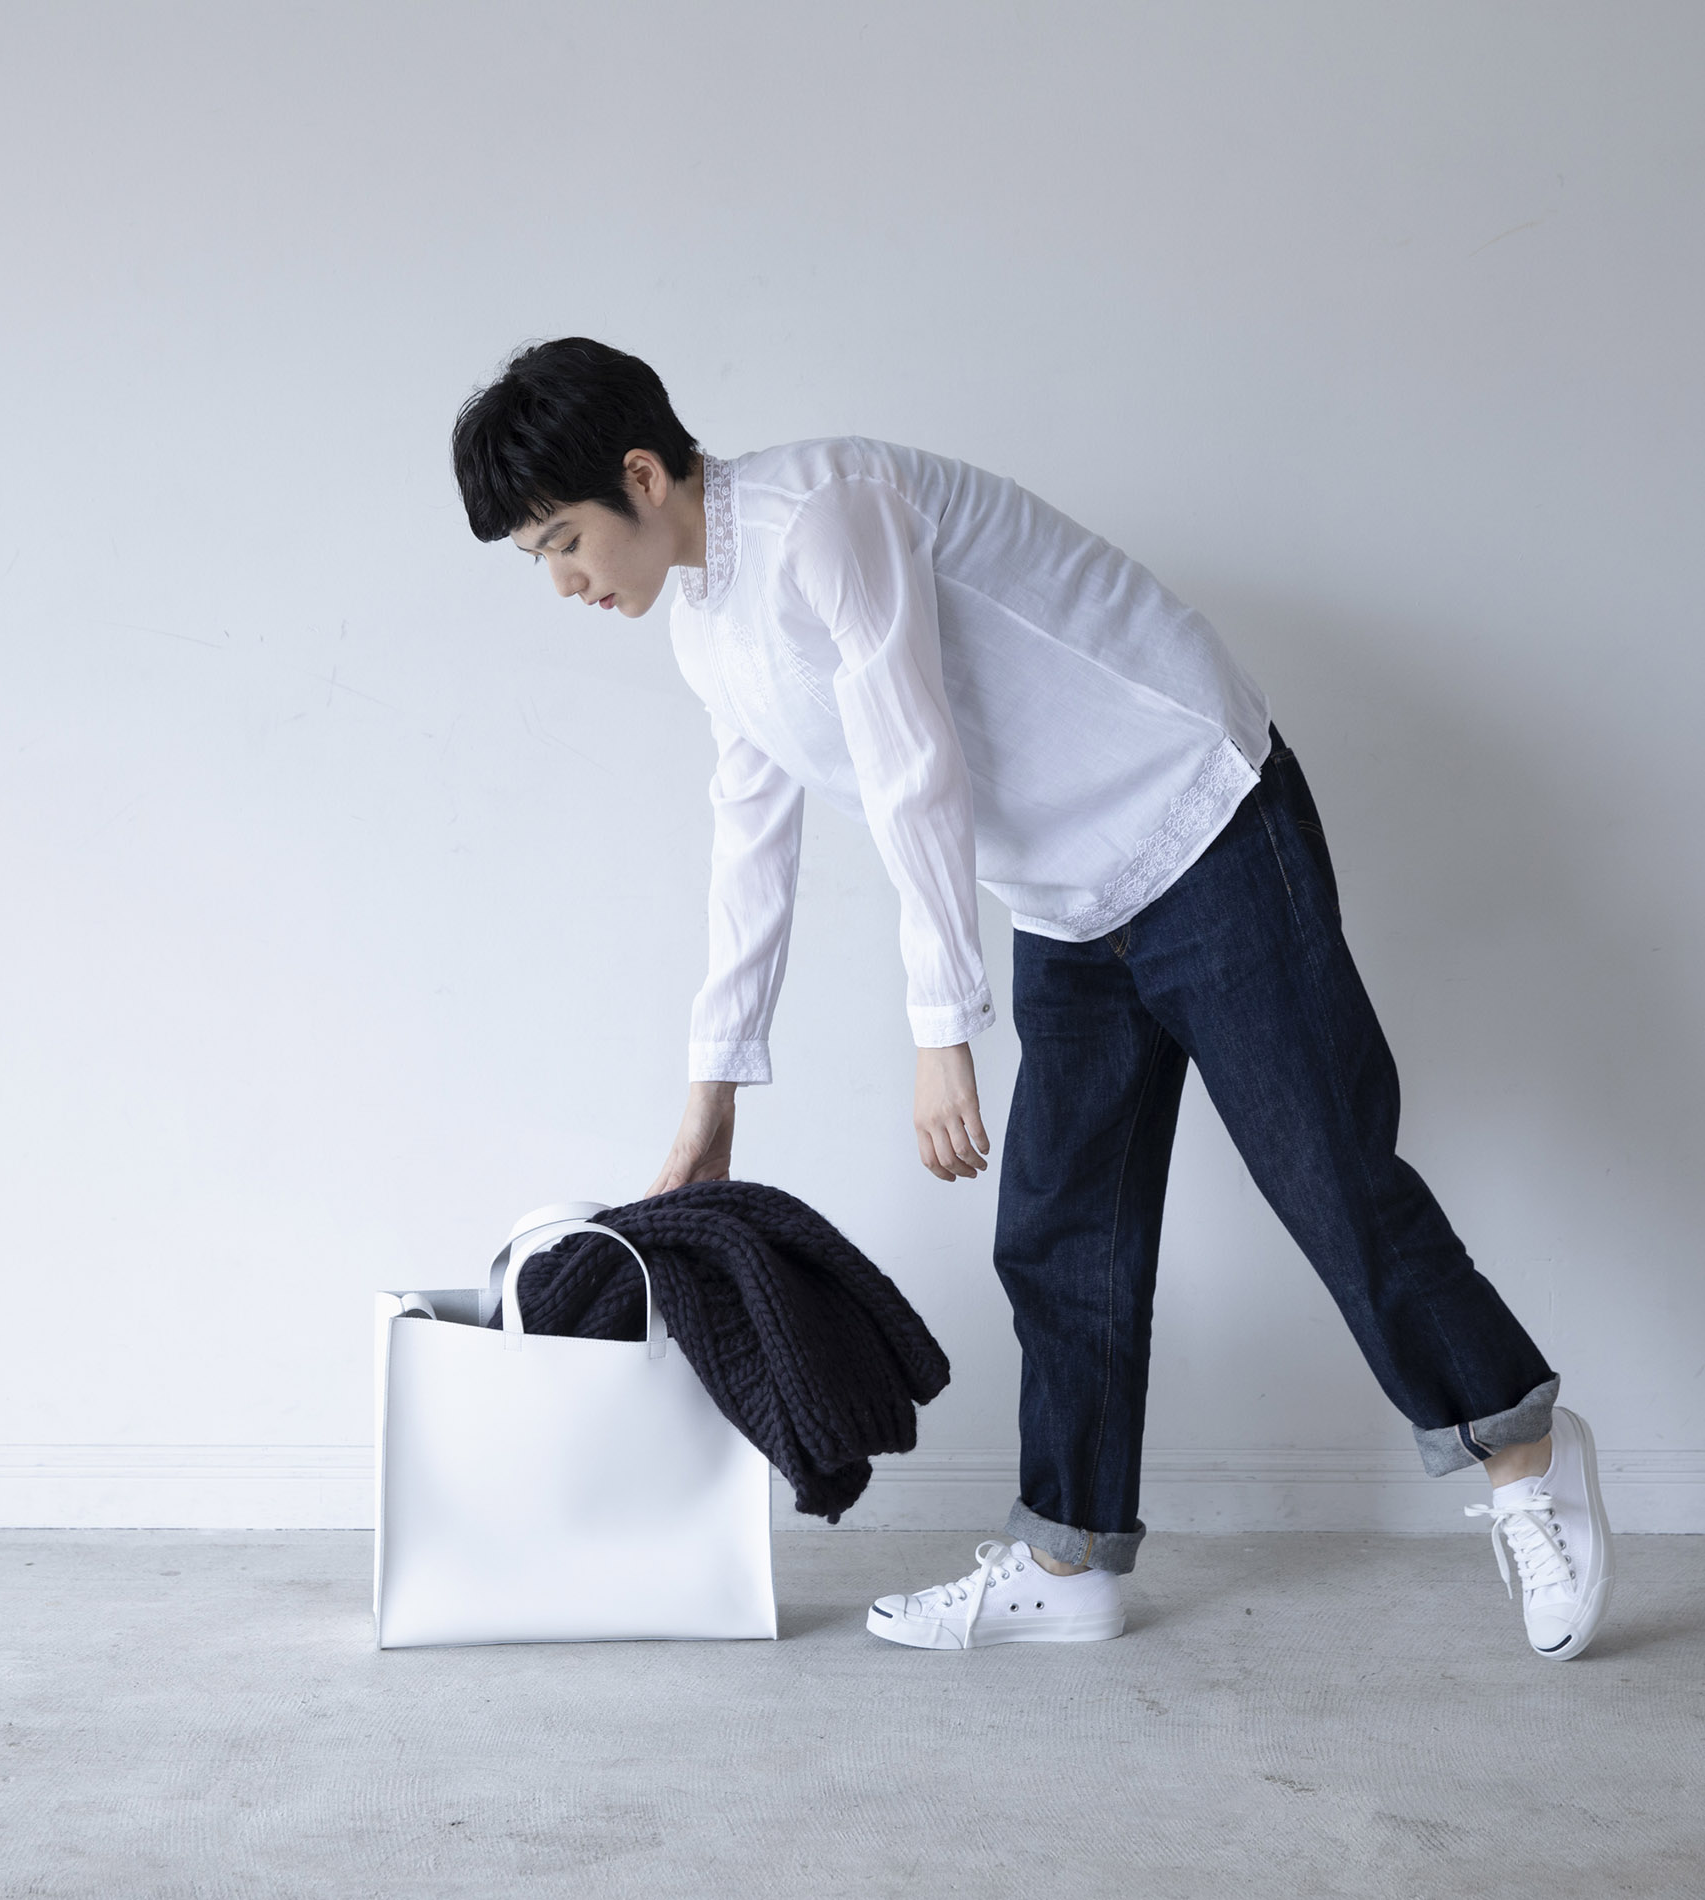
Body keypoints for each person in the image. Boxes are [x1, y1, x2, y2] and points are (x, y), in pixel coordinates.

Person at [451, 336, 1613, 1660]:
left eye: (562, 541)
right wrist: (711, 1099)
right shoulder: (708, 635)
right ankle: (1068, 1558)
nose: (565, 582)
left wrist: (942, 1029)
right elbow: (749, 851)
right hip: (1067, 896)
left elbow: (913, 759)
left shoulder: (825, 518)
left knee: (1330, 1179)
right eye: (539, 559)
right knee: (1061, 1234)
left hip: (1200, 817)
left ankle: (1525, 1453)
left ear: (643, 475)